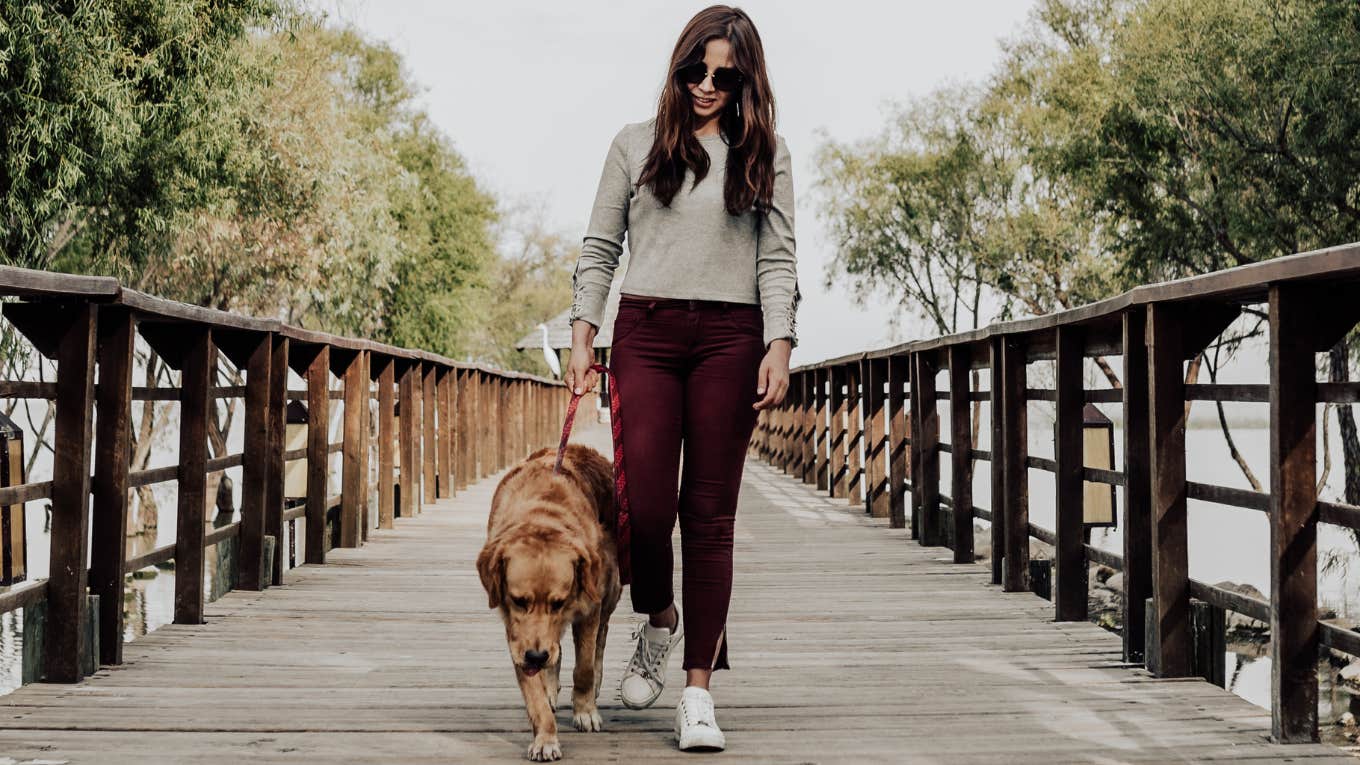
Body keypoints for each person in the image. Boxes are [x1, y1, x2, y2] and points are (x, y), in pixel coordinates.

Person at [563, 4, 800, 754]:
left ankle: (698, 690)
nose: (706, 84)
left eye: (724, 76)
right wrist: (582, 334)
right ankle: (659, 617)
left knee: (711, 515)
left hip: (732, 337)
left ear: (745, 80)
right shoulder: (634, 145)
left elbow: (778, 258)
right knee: (646, 509)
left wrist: (780, 341)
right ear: (678, 65)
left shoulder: (767, 152)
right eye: (695, 69)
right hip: (647, 334)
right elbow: (600, 246)